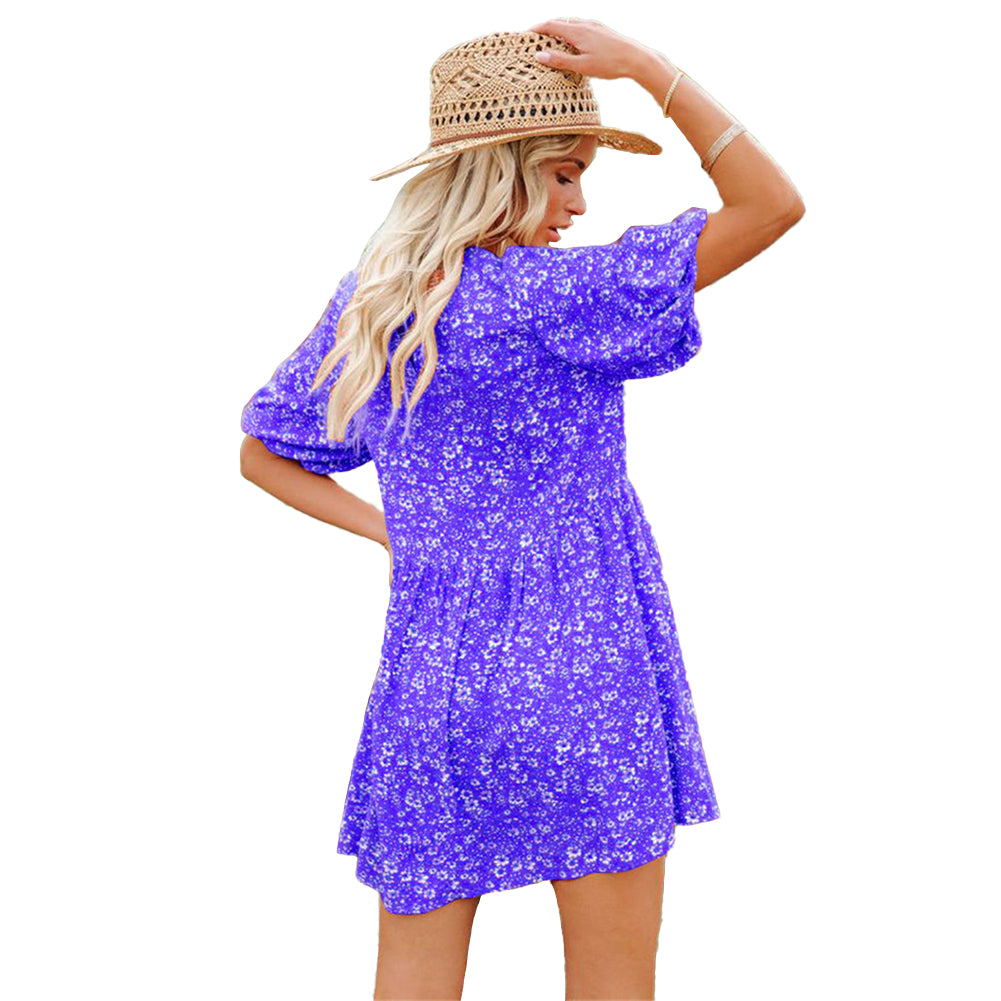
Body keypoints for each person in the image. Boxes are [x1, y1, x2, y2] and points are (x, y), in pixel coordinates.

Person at [239, 20, 804, 1001]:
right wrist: (646, 68)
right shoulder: (561, 295)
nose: (578, 204)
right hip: (587, 683)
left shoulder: (378, 302)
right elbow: (772, 205)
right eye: (562, 173)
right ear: (496, 172)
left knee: (410, 982)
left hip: (433, 687)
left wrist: (393, 532)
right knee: (611, 983)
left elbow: (262, 454)